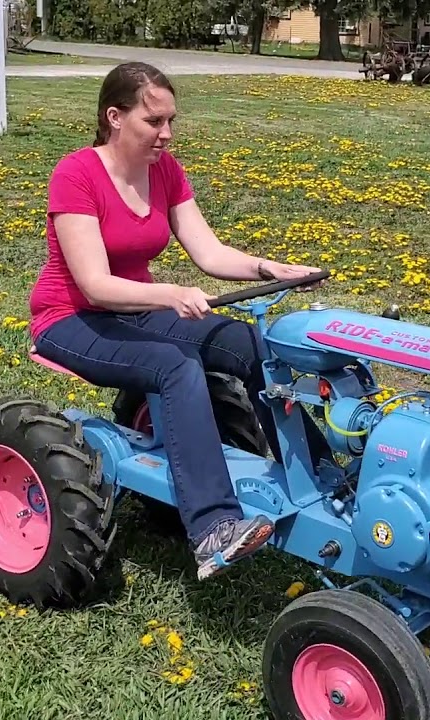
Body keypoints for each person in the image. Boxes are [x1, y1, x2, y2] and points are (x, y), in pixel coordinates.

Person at [28, 62, 332, 581]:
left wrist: (267, 267)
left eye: (171, 121)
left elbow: (208, 252)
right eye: (154, 122)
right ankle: (213, 529)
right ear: (115, 117)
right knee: (175, 365)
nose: (166, 134)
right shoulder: (76, 174)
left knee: (250, 344)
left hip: (137, 310)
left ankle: (320, 475)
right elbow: (95, 284)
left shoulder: (165, 171)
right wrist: (170, 294)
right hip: (71, 318)